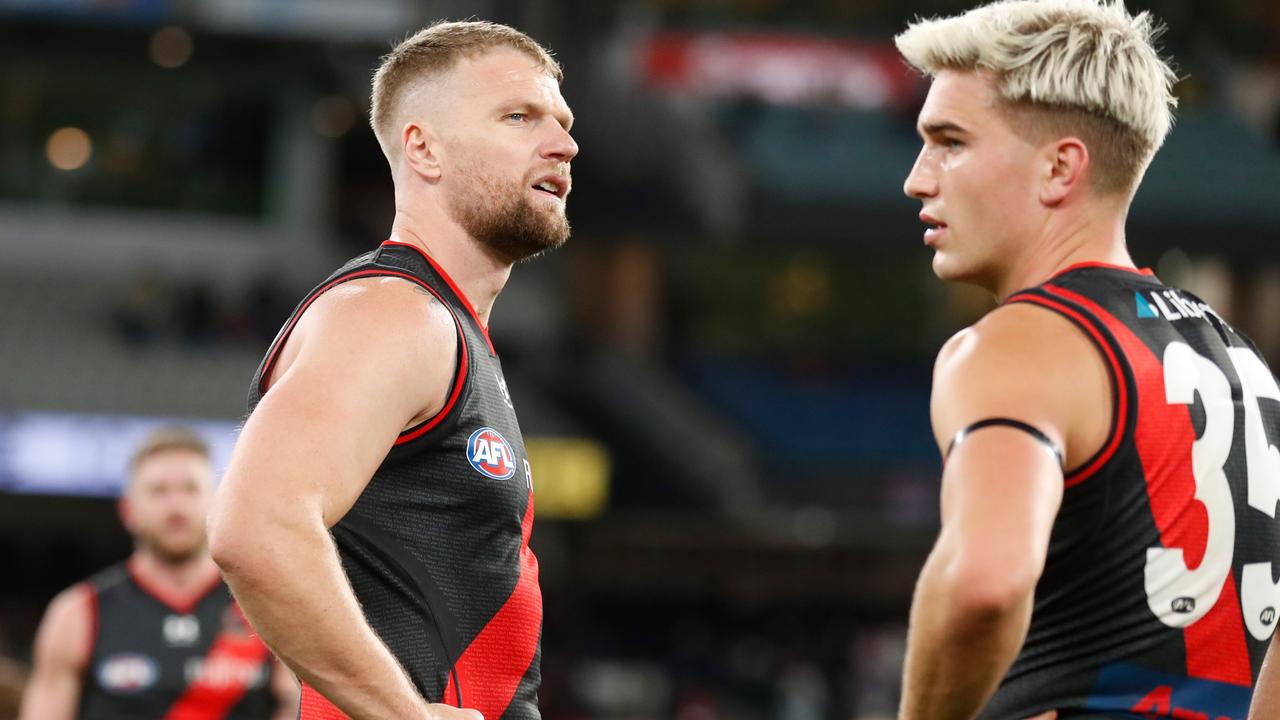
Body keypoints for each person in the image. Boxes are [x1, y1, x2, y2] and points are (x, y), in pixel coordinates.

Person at [894, 1, 1280, 718]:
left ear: (1060, 169)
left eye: (950, 141)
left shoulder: (1013, 345)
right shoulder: (1248, 368)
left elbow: (987, 580)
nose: (918, 178)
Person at [207, 19, 577, 720]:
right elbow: (255, 529)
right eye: (520, 116)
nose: (563, 143)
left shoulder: (442, 325)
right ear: (424, 149)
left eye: (561, 122)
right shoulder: (395, 314)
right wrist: (402, 715)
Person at [18, 427, 298, 720]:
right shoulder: (78, 613)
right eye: (159, 491)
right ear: (128, 510)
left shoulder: (264, 606)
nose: (176, 506)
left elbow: (295, 708)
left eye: (190, 489)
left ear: (218, 502)